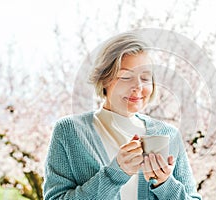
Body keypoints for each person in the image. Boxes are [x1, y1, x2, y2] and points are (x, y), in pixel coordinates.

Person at [43, 32, 202, 200]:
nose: (138, 87)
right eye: (126, 77)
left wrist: (164, 184)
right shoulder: (70, 131)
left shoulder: (168, 135)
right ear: (104, 80)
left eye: (145, 78)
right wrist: (115, 173)